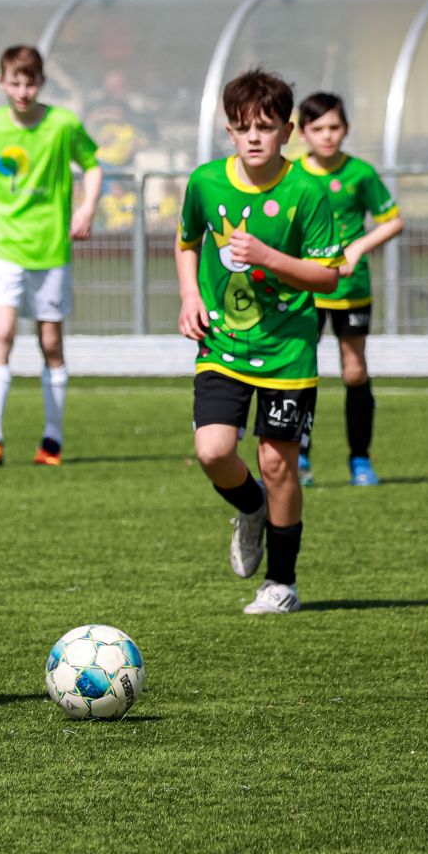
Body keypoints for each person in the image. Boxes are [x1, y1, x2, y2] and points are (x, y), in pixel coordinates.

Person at [175, 69, 340, 616]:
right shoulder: (205, 183)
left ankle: (281, 583)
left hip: (288, 350)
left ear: (287, 132)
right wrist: (189, 297)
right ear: (229, 131)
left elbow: (327, 277)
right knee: (213, 450)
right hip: (221, 343)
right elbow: (186, 242)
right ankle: (251, 509)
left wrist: (268, 257)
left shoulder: (306, 191)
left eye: (265, 127)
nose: (253, 138)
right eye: (243, 127)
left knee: (277, 464)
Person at [0, 45, 102, 467]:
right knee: (2, 332)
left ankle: (52, 439)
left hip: (51, 248)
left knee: (51, 342)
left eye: (30, 82)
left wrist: (87, 207)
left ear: (42, 82)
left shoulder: (63, 124)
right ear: (1, 82)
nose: (23, 91)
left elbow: (93, 165)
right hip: (3, 248)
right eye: (15, 82)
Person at [291, 93, 404, 488]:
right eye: (318, 128)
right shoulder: (292, 175)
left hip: (350, 288)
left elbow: (393, 221)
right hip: (303, 289)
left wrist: (357, 248)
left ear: (346, 129)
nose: (327, 136)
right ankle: (298, 456)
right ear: (302, 133)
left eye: (334, 127)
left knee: (354, 372)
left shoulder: (360, 174)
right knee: (300, 370)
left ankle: (360, 459)